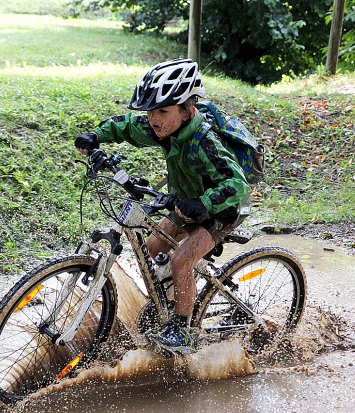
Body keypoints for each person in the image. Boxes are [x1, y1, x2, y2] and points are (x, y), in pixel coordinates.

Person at [74, 58, 251, 353]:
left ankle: (184, 329)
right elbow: (128, 126)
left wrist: (202, 203)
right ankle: (176, 300)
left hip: (221, 210)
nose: (154, 119)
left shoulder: (204, 140)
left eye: (163, 111)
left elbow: (238, 185)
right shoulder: (165, 129)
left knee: (182, 259)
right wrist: (97, 136)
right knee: (153, 246)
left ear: (186, 110)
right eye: (151, 111)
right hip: (186, 203)